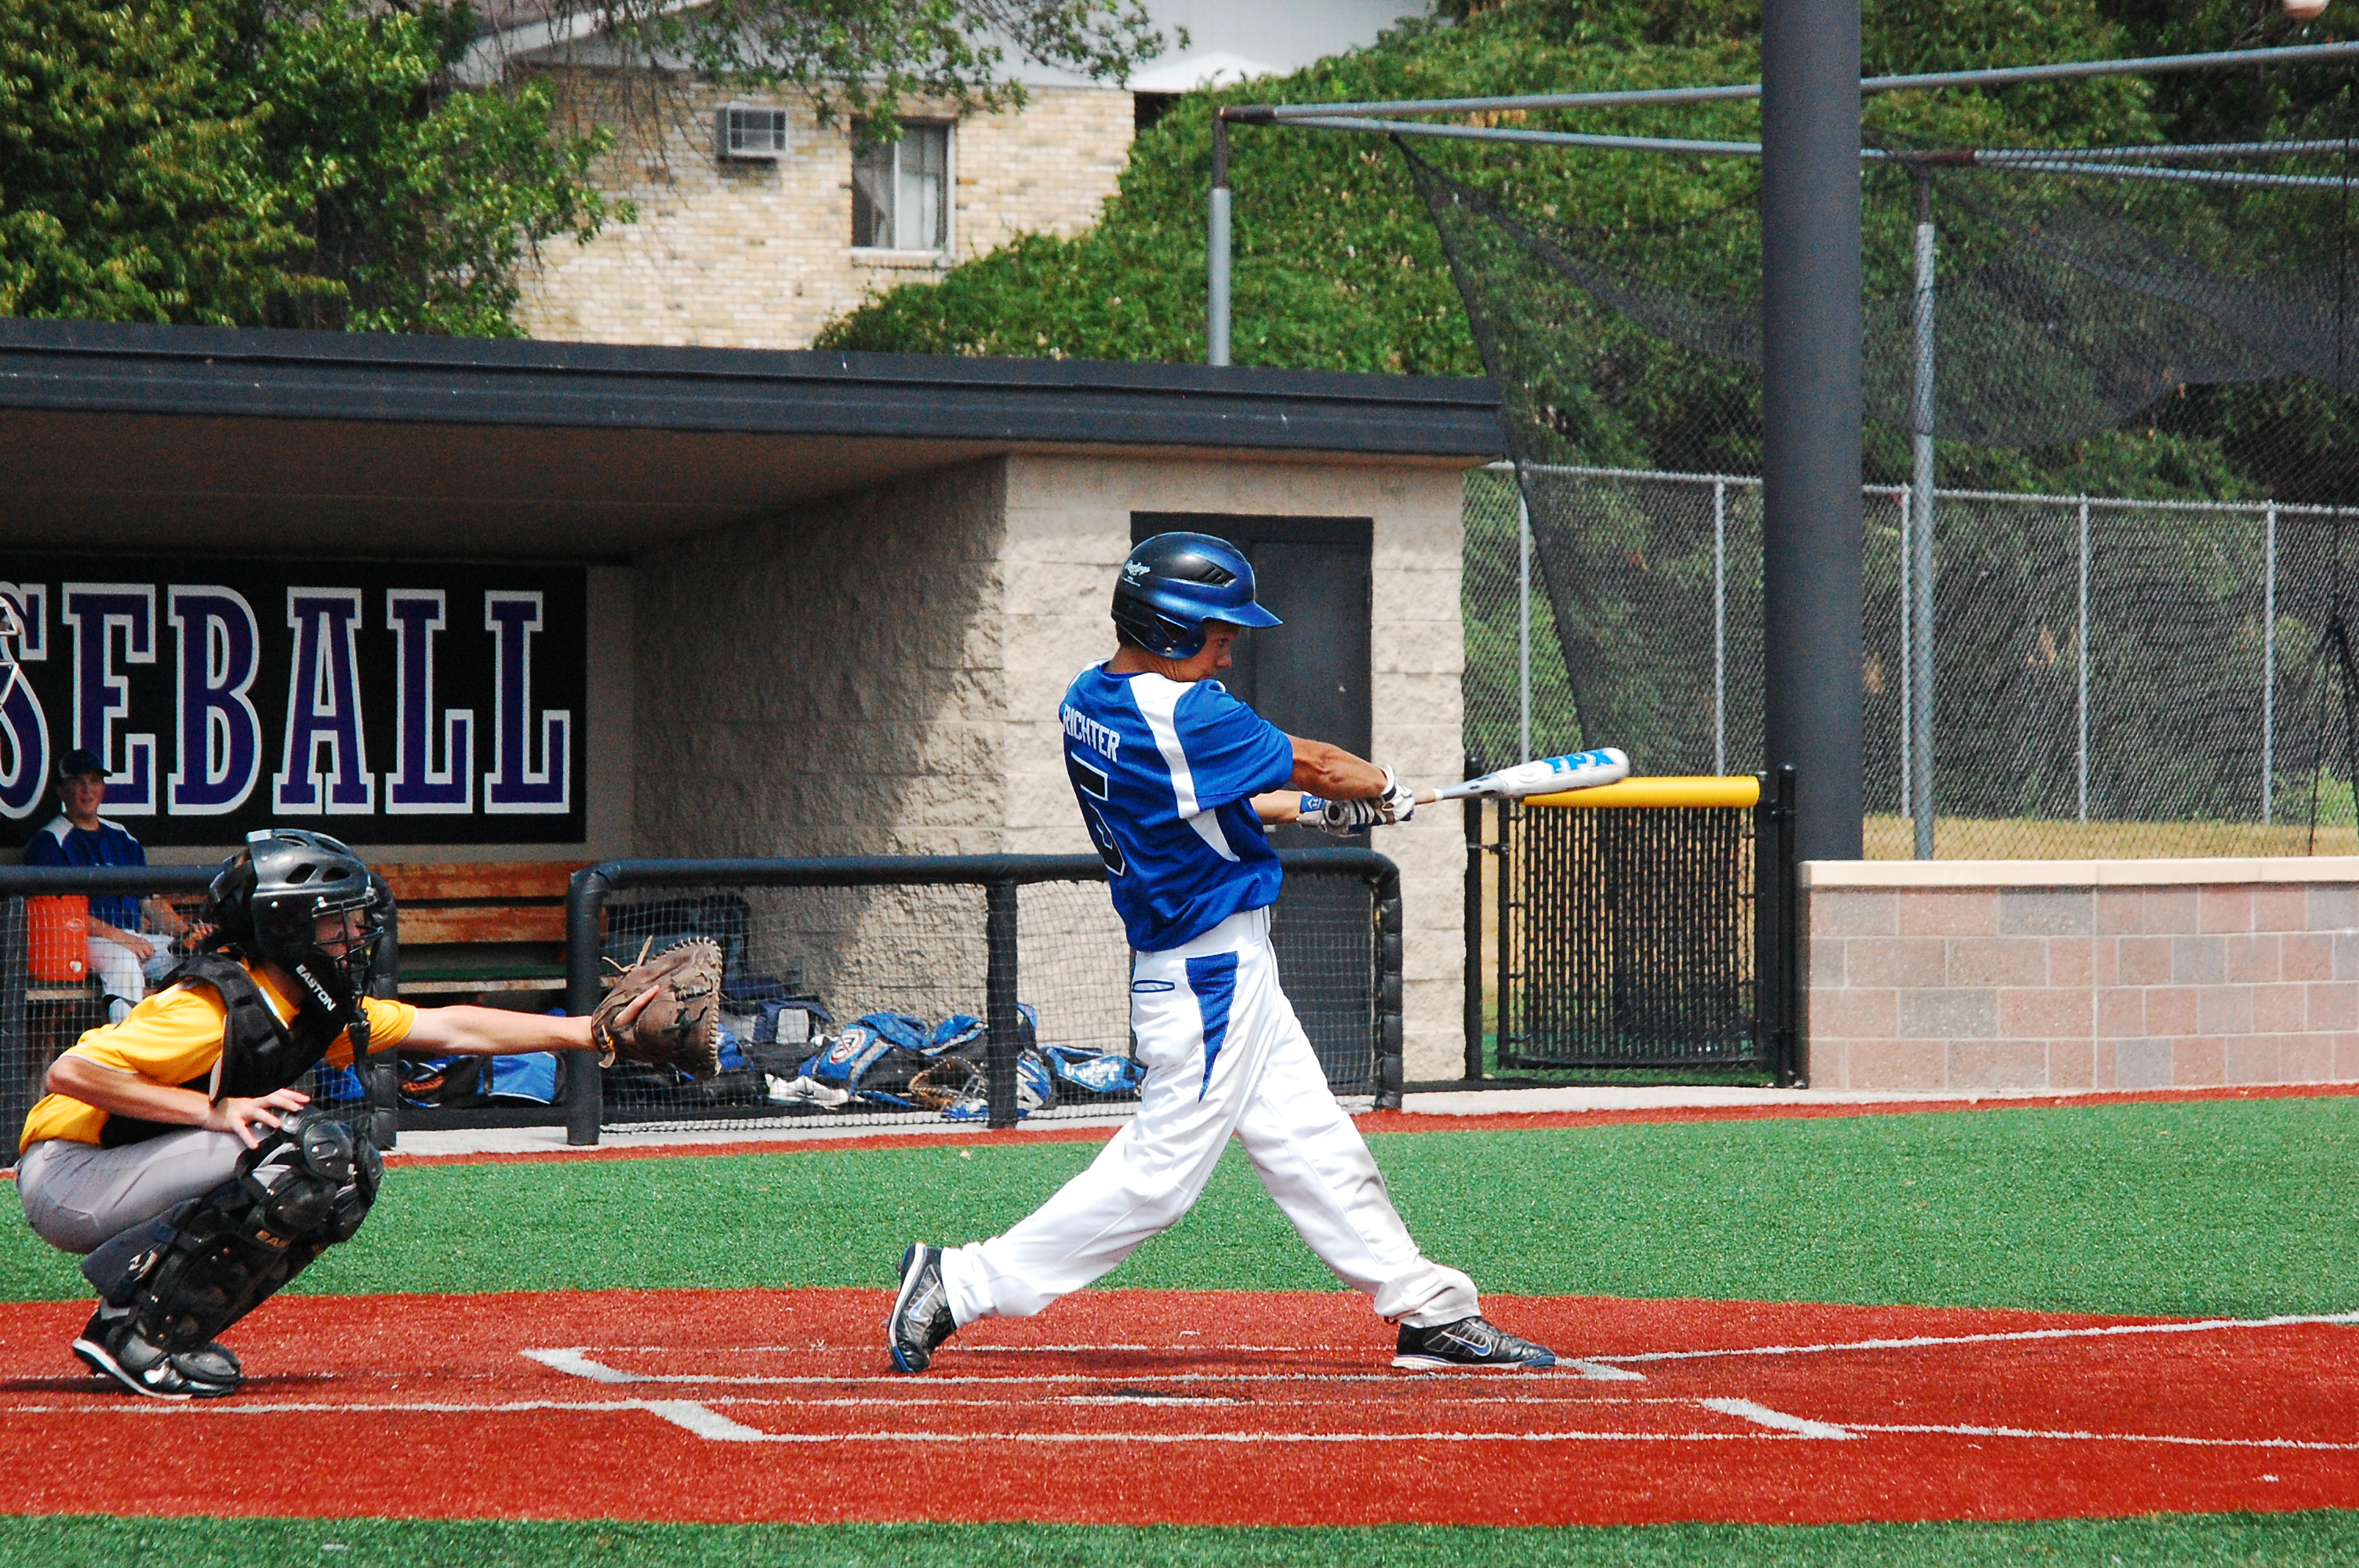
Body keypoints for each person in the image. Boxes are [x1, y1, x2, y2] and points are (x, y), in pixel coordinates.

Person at [887, 532, 1556, 1374]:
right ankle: (958, 1281)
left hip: (1222, 965)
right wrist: (1382, 788)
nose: (1227, 654)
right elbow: (1319, 763)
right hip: (1206, 974)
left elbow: (1201, 798)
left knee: (1313, 1141)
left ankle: (1429, 1310)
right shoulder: (1187, 713)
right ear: (1167, 627)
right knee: (1159, 1179)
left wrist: (1314, 812)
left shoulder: (1091, 695)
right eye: (1216, 635)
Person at [15, 828, 636, 1399]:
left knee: (345, 1171)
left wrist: (592, 1030)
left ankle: (149, 1322)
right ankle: (137, 1337)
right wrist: (213, 1112)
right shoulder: (210, 1006)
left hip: (124, 1165)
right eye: (339, 919)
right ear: (288, 928)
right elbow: (69, 1073)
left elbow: (451, 1027)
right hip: (69, 1176)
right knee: (301, 1152)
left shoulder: (305, 1007)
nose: (356, 932)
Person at [24, 750, 186, 1021]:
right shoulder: (50, 841)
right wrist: (123, 939)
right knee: (123, 962)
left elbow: (150, 901)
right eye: (77, 782)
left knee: (189, 957)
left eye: (94, 780)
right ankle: (125, 1044)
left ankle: (181, 1040)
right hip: (80, 943)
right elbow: (65, 917)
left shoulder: (121, 837)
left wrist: (186, 934)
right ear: (61, 790)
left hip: (132, 939)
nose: (87, 790)